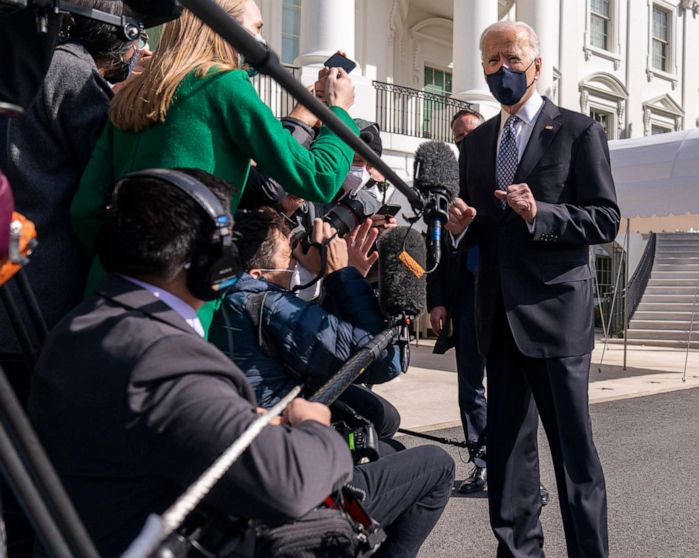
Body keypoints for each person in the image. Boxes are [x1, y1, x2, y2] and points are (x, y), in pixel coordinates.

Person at [29, 168, 453, 557]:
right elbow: (288, 484)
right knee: (435, 465)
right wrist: (313, 425)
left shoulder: (83, 325)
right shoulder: (161, 356)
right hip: (197, 527)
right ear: (208, 262)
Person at [70, 0, 360, 332]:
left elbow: (85, 209)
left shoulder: (134, 92)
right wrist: (338, 112)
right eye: (256, 30)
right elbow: (318, 178)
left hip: (106, 286)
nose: (262, 43)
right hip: (179, 291)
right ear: (226, 30)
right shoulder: (222, 85)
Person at [444, 20, 619, 558]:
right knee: (508, 457)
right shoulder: (473, 145)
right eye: (491, 61)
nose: (503, 70)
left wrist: (539, 212)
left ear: (536, 66)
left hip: (556, 317)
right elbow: (484, 229)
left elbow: (605, 220)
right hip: (497, 319)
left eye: (512, 58)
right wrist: (461, 227)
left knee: (574, 457)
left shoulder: (577, 131)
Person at [0, 0, 145, 373]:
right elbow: (104, 173)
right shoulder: (72, 72)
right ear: (123, 35)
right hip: (40, 295)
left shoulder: (33, 61)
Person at [212, 207, 405, 450]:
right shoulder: (267, 304)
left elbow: (328, 337)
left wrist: (345, 278)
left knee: (381, 415)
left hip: (257, 415)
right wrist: (342, 275)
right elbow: (385, 361)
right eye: (287, 257)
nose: (296, 262)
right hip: (278, 438)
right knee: (429, 462)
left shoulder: (228, 291)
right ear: (258, 274)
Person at [427, 108, 491, 493]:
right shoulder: (447, 188)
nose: (464, 143)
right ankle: (482, 463)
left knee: (510, 388)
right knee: (470, 388)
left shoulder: (505, 176)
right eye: (459, 138)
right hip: (465, 301)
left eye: (471, 135)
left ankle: (516, 469)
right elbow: (435, 248)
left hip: (503, 300)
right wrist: (437, 301)